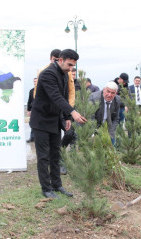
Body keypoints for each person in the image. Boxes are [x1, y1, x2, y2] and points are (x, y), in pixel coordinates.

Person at [30, 49, 87, 199]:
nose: (71, 69)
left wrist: (67, 117)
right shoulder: (48, 74)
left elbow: (65, 95)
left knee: (56, 154)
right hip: (41, 121)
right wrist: (74, 112)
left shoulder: (64, 73)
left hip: (55, 120)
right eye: (69, 65)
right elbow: (55, 96)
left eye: (73, 66)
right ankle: (46, 189)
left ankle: (57, 185)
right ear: (60, 60)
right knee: (44, 157)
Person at [26, 77, 37, 143]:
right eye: (34, 81)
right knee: (32, 124)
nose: (35, 83)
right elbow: (29, 101)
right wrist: (28, 110)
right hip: (33, 110)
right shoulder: (31, 91)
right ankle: (32, 138)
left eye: (36, 81)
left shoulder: (41, 90)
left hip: (41, 111)